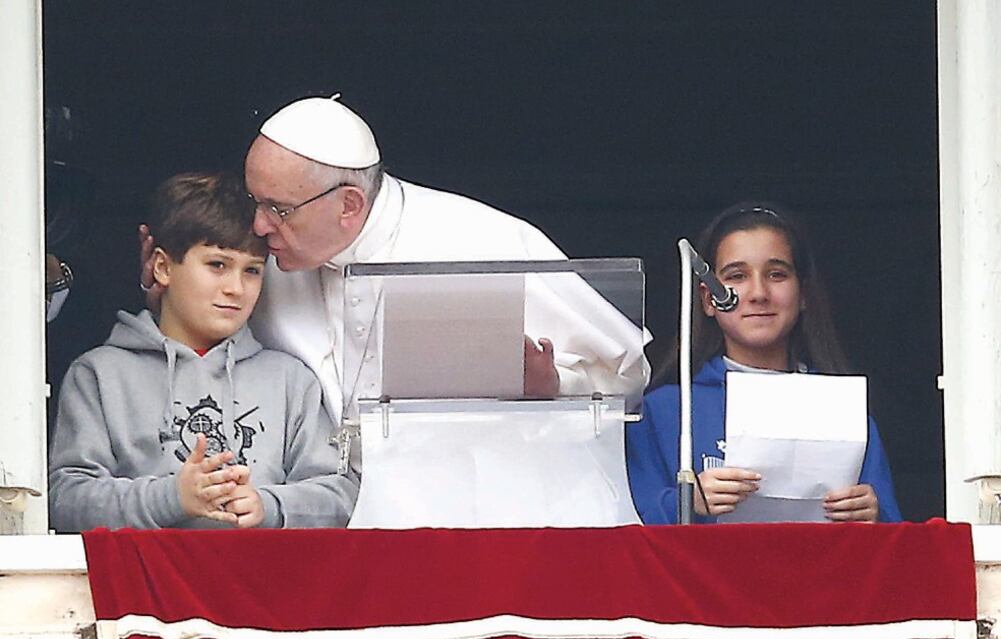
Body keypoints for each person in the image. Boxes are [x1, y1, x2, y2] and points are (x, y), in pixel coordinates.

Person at [140, 95, 648, 434]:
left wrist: (554, 386)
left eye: (278, 208)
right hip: (319, 521)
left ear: (348, 206)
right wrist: (169, 301)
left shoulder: (481, 240)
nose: (258, 225)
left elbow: (627, 377)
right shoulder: (259, 261)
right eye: (255, 201)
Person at [49, 172, 357, 531]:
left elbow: (338, 496)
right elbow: (66, 499)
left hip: (262, 581)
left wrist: (268, 506)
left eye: (253, 271)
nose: (236, 288)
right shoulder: (99, 374)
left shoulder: (291, 380)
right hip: (144, 583)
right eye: (217, 265)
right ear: (163, 267)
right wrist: (171, 498)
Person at [627, 202, 901, 524]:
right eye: (737, 276)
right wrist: (685, 503)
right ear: (707, 299)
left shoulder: (843, 410)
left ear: (802, 295)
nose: (758, 293)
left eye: (776, 274)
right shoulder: (663, 410)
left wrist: (874, 516)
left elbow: (895, 544)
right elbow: (627, 536)